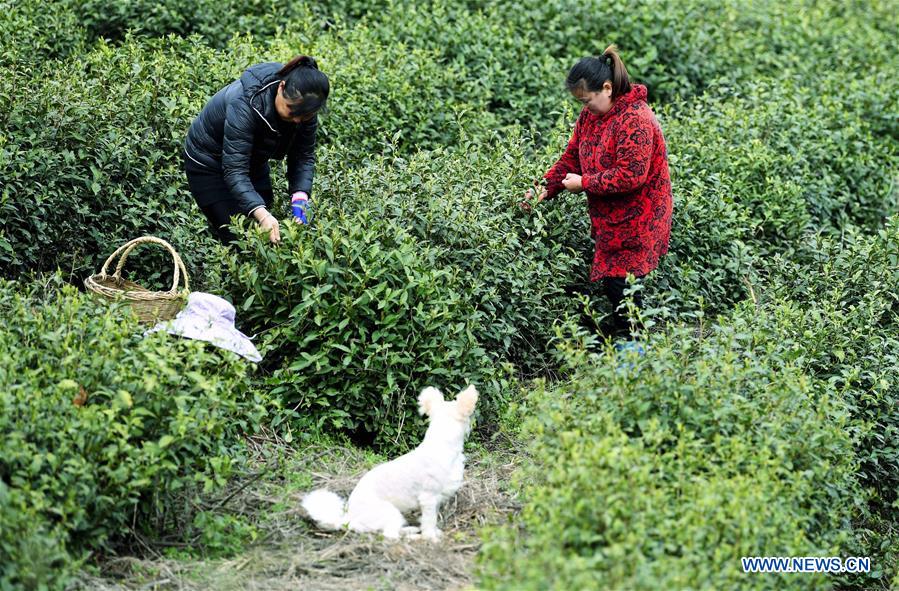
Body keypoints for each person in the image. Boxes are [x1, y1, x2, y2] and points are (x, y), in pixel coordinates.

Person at [524, 45, 672, 340]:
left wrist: (585, 183)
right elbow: (571, 158)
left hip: (640, 216)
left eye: (587, 100)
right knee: (616, 283)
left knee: (621, 283)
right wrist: (545, 187)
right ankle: (631, 340)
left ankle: (635, 347)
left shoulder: (636, 118)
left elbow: (631, 175)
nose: (585, 107)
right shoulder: (590, 117)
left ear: (607, 88)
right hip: (610, 217)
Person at [183, 55, 329, 244]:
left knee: (265, 228)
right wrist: (262, 214)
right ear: (281, 87)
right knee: (238, 235)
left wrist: (300, 195)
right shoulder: (246, 104)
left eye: (305, 116)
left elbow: (303, 156)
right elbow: (235, 170)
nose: (297, 120)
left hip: (252, 158)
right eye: (292, 111)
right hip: (207, 162)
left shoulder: (305, 108)